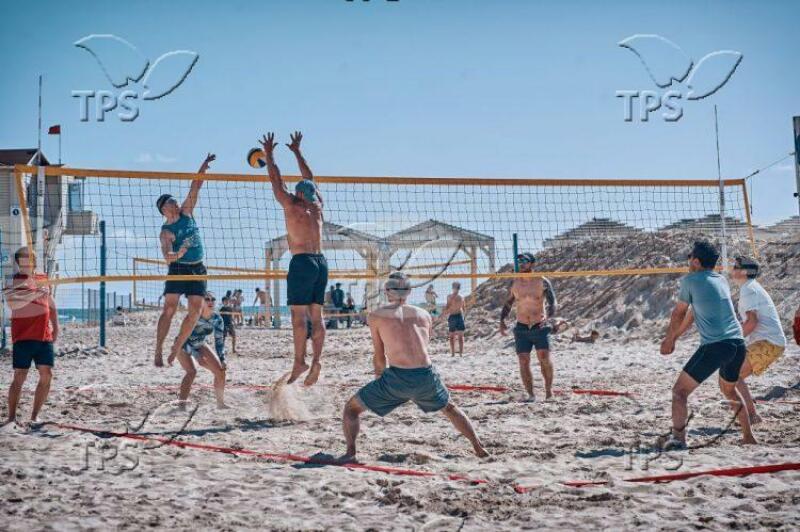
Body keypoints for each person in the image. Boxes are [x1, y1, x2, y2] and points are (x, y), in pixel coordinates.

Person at [340, 272, 488, 461]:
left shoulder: (376, 316)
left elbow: (379, 356)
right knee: (450, 408)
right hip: (425, 375)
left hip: (396, 378)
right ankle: (478, 446)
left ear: (387, 291)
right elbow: (422, 346)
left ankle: (350, 452)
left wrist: (380, 380)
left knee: (351, 409)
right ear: (409, 291)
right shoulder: (424, 315)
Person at [660, 240, 755, 448]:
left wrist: (668, 340)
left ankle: (678, 440)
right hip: (738, 344)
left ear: (696, 261)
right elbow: (693, 314)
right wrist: (675, 338)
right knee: (730, 391)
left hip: (716, 346)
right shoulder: (721, 280)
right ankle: (749, 437)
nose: (688, 261)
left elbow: (678, 313)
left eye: (689, 257)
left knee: (679, 392)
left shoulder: (690, 280)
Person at [260, 131, 327, 386]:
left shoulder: (292, 204)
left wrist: (269, 154)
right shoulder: (318, 206)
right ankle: (317, 360)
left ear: (298, 193)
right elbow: (309, 177)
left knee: (299, 316)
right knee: (317, 316)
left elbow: (276, 180)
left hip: (302, 263)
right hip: (321, 263)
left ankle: (299, 361)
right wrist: (297, 152)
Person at [154, 153, 215, 368]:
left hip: (197, 268)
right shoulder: (166, 231)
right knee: (169, 309)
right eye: (172, 201)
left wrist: (203, 167)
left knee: (195, 312)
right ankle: (159, 349)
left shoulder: (187, 212)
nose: (176, 201)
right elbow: (167, 256)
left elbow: (195, 187)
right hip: (179, 268)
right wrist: (180, 252)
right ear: (165, 208)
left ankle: (176, 347)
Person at [3, 247, 59, 426]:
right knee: (20, 376)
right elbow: (13, 304)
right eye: (23, 258)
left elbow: (50, 303)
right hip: (23, 336)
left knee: (47, 375)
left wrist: (56, 326)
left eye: (30, 258)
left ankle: (34, 416)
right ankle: (11, 417)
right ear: (18, 261)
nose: (27, 261)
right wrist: (35, 292)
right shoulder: (12, 280)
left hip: (44, 335)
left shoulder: (42, 278)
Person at [730, 256, 786, 424]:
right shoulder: (750, 287)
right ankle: (751, 415)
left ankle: (752, 415)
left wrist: (733, 340)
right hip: (769, 342)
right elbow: (750, 321)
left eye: (736, 266)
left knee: (732, 374)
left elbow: (752, 322)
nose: (732, 269)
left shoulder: (748, 289)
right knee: (732, 376)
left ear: (745, 271)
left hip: (769, 343)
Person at [499, 252, 558, 400]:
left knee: (544, 358)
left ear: (532, 263)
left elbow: (553, 302)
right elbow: (508, 303)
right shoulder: (515, 282)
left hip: (539, 325)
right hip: (521, 326)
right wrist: (502, 320)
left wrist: (549, 317)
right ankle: (531, 395)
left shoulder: (541, 281)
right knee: (523, 361)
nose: (521, 264)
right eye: (519, 261)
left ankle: (549, 392)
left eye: (524, 261)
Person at [167, 291, 228, 409]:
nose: (210, 301)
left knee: (221, 371)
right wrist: (177, 353)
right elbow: (182, 336)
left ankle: (220, 404)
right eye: (207, 299)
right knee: (192, 372)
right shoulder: (193, 316)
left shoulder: (217, 319)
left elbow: (219, 341)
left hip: (199, 343)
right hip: (183, 344)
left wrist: (222, 358)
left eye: (213, 299)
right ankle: (181, 405)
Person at [441, 282, 466, 357]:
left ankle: (461, 353)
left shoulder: (461, 297)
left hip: (459, 316)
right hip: (452, 316)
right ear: (453, 288)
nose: (456, 289)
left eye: (457, 287)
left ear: (458, 288)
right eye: (454, 287)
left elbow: (464, 308)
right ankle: (453, 353)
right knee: (452, 336)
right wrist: (444, 312)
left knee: (460, 336)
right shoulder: (449, 296)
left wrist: (464, 317)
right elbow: (447, 306)